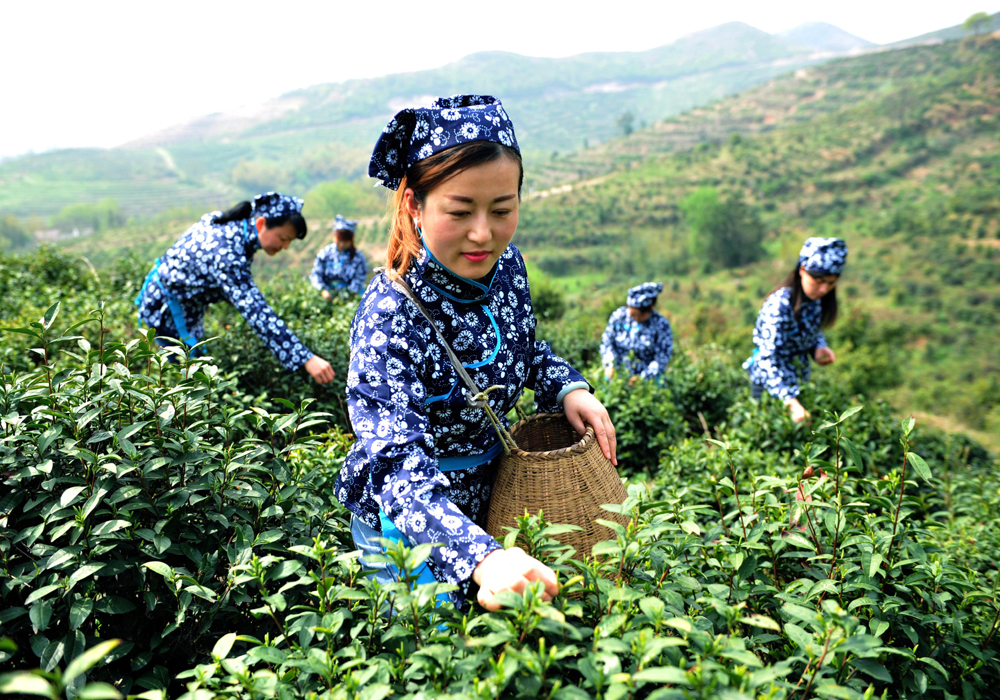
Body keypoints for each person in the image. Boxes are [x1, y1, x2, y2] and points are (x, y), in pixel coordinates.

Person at [337, 94, 618, 611]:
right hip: (410, 527)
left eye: (503, 210)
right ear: (413, 206)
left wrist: (567, 385)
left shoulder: (508, 268)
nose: (483, 234)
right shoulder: (389, 316)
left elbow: (526, 346)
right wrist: (479, 557)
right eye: (460, 211)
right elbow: (396, 464)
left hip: (496, 499)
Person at [135, 192, 335, 384]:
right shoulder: (227, 251)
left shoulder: (234, 228)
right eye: (283, 239)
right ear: (261, 223)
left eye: (289, 242)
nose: (285, 247)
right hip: (167, 309)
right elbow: (255, 311)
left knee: (194, 368)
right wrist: (306, 358)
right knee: (183, 379)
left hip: (185, 304)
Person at [743, 237, 847, 423]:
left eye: (831, 283)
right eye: (819, 281)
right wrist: (790, 402)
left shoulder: (814, 302)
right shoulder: (779, 306)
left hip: (797, 385)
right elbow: (768, 360)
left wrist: (818, 347)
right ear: (802, 270)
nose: (824, 289)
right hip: (770, 389)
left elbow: (810, 330)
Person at [600, 282, 673, 385]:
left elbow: (662, 358)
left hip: (648, 382)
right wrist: (609, 364)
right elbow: (607, 342)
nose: (636, 318)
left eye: (641, 315)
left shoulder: (661, 325)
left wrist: (643, 378)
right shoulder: (618, 317)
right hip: (618, 377)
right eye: (633, 314)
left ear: (651, 309)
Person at [310, 214, 368, 298]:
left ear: (350, 241)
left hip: (351, 297)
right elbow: (316, 274)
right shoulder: (325, 254)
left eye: (345, 241)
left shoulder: (357, 257)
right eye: (339, 240)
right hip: (327, 296)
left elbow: (360, 278)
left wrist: (349, 294)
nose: (341, 244)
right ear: (334, 237)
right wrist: (323, 290)